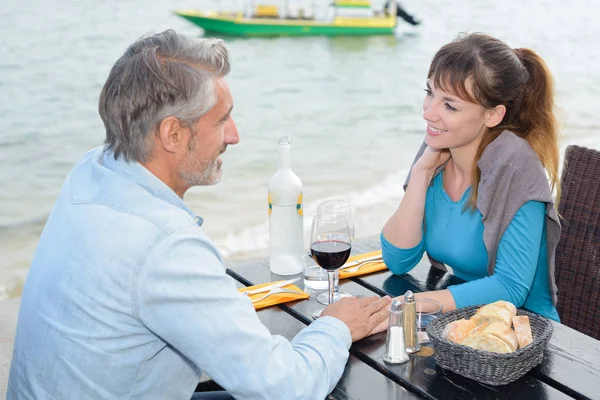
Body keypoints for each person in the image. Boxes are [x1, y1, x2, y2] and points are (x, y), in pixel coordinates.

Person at [7, 30, 391, 400]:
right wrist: (337, 325)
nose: (234, 136)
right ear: (172, 134)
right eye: (223, 120)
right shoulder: (163, 245)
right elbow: (285, 387)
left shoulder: (91, 171)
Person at [381, 33, 561, 322]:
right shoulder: (439, 143)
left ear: (492, 116)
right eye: (430, 93)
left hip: (522, 332)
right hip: (462, 320)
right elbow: (399, 261)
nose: (429, 113)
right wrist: (421, 173)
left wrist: (415, 302)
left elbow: (511, 287)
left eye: (449, 105)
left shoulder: (515, 167)